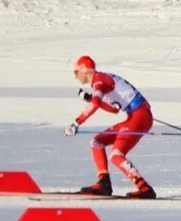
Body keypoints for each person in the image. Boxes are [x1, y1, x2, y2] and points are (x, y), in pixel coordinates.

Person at [65, 56, 156, 199]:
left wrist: (76, 123)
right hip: (136, 115)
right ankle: (103, 183)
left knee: (116, 155)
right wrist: (90, 98)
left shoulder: (99, 81)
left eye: (76, 72)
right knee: (97, 142)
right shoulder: (101, 79)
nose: (75, 77)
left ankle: (144, 188)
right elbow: (114, 108)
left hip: (140, 116)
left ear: (83, 70)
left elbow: (96, 104)